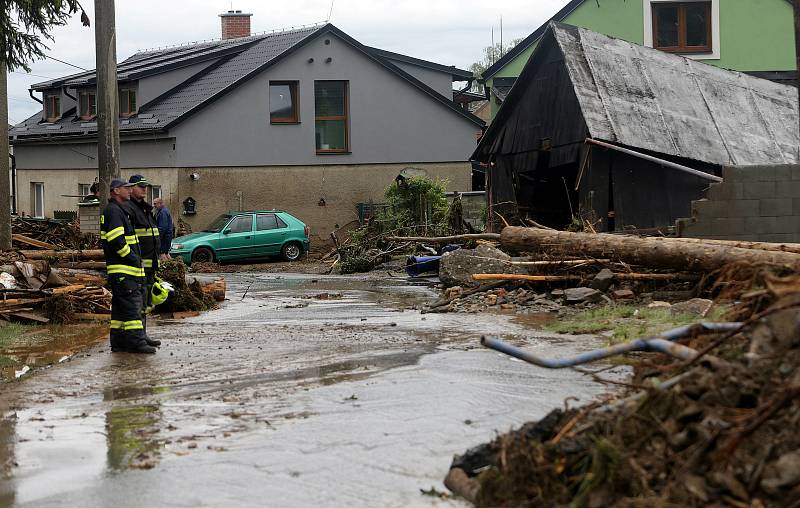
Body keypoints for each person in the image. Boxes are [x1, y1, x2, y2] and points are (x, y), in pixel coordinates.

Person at [101, 179, 155, 354]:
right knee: (132, 307)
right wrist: (132, 258)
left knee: (119, 311)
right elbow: (116, 240)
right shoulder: (114, 211)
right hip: (124, 270)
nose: (129, 191)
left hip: (124, 270)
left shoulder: (117, 210)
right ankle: (136, 342)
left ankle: (119, 342)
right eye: (126, 188)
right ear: (116, 191)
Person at [127, 175, 161, 348]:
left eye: (146, 186)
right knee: (138, 302)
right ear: (131, 188)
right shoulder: (129, 209)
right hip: (138, 266)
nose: (144, 189)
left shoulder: (145, 209)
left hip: (150, 266)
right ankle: (138, 338)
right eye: (141, 186)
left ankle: (143, 335)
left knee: (146, 303)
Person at [153, 197, 174, 261]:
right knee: (166, 253)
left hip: (164, 237)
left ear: (160, 203)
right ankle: (173, 268)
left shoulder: (163, 212)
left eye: (155, 204)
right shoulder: (164, 211)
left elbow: (162, 227)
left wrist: (158, 238)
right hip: (167, 236)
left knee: (162, 254)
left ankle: (167, 269)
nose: (154, 206)